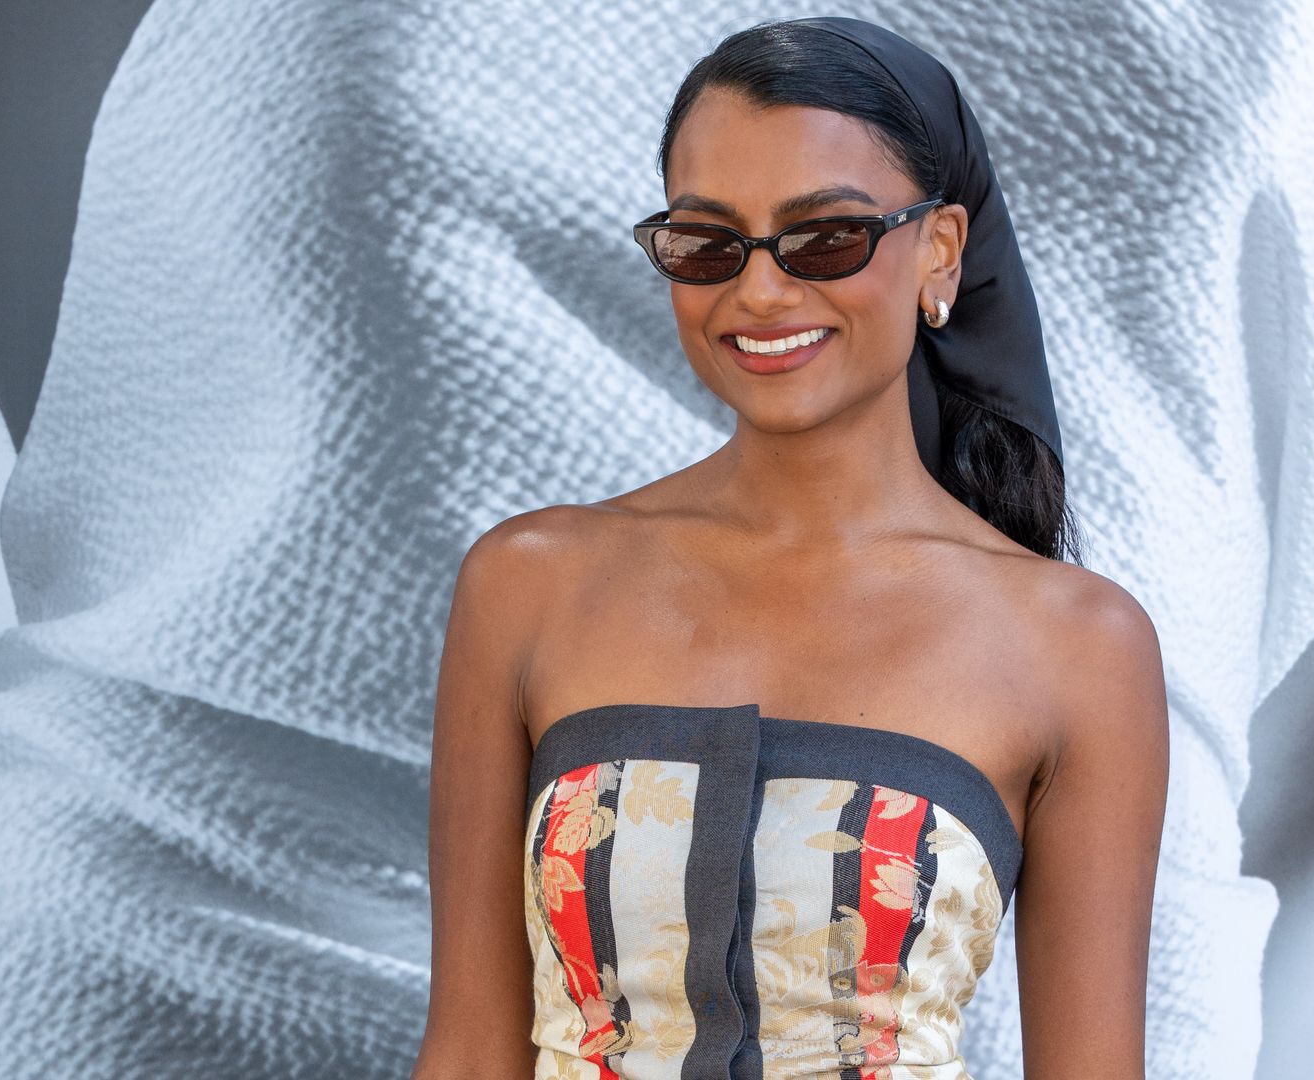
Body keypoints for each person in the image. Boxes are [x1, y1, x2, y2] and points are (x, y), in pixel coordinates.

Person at [407, 16, 1168, 1080]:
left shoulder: (1078, 643)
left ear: (938, 251)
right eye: (710, 242)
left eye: (825, 238)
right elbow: (469, 1051)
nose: (760, 291)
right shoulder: (527, 585)